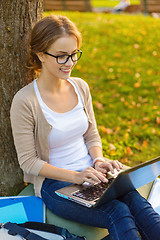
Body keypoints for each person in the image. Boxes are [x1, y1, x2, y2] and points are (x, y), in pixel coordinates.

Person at [10, 14, 160, 240]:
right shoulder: (25, 101)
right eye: (61, 56)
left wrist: (98, 160)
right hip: (57, 185)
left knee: (140, 207)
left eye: (73, 54)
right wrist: (76, 176)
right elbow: (28, 162)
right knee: (117, 212)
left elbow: (91, 134)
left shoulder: (80, 87)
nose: (69, 63)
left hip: (93, 174)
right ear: (41, 55)